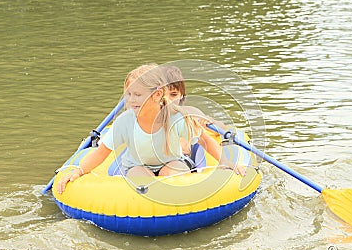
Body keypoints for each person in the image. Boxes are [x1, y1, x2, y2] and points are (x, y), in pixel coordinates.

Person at [58, 64, 245, 194]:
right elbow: (101, 153)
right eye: (128, 94)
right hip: (137, 166)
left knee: (176, 176)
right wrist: (79, 171)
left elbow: (205, 140)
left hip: (170, 163)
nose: (131, 100)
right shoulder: (124, 122)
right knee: (140, 180)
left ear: (156, 95)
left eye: (137, 95)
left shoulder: (176, 118)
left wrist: (226, 161)